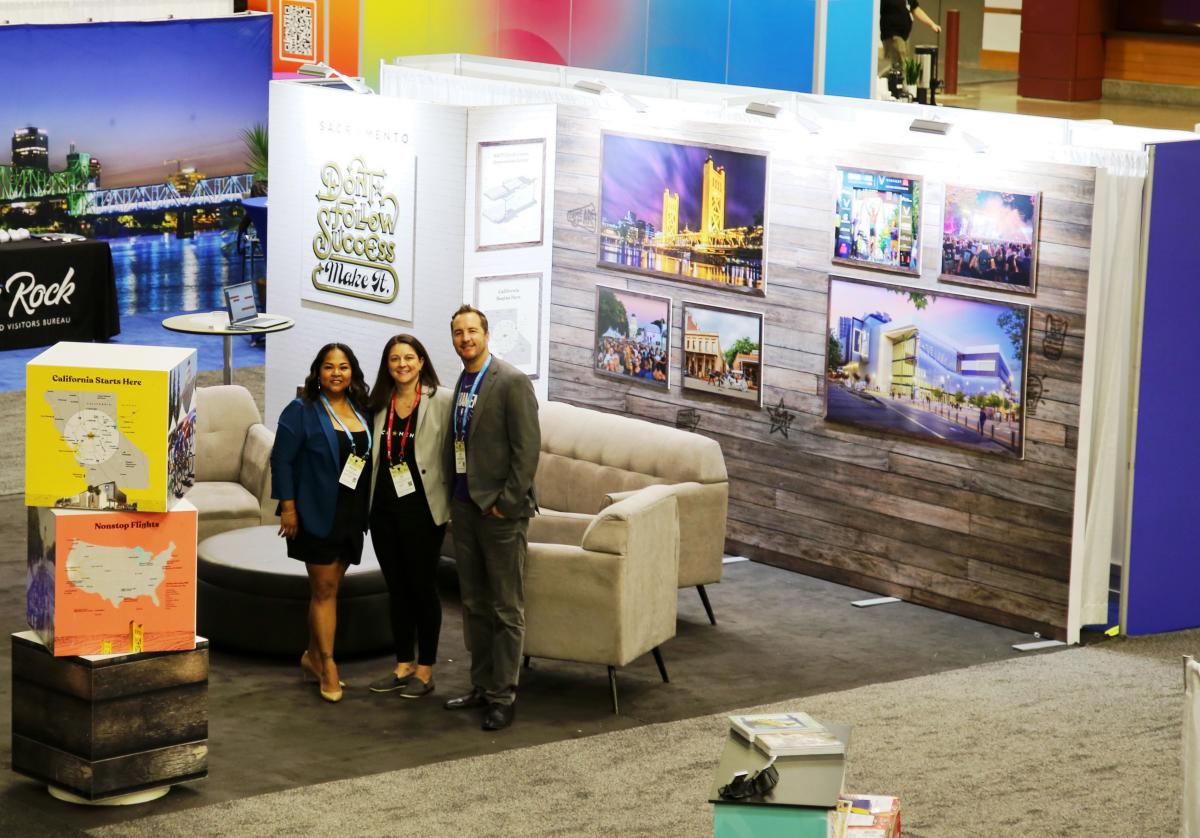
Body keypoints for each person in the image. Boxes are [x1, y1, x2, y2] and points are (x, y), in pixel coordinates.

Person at [442, 304, 540, 731]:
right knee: (473, 604)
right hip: (465, 508)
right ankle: (481, 685)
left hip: (499, 514)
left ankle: (504, 695)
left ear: (487, 334)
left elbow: (527, 450)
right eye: (459, 333)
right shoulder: (463, 382)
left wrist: (507, 502)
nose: (466, 339)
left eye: (472, 332)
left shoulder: (511, 382)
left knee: (505, 608)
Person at [271, 343, 372, 704]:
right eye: (329, 367)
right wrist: (288, 508)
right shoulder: (301, 410)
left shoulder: (362, 409)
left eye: (343, 367)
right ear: (318, 372)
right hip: (314, 513)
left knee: (328, 589)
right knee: (325, 589)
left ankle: (311, 656)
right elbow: (281, 461)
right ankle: (328, 664)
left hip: (351, 514)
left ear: (352, 372)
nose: (336, 374)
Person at [365, 335, 453, 700]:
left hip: (424, 511)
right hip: (384, 509)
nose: (401, 364)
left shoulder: (441, 401)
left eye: (408, 358)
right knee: (396, 588)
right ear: (388, 365)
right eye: (394, 358)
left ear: (421, 362)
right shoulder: (378, 403)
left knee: (421, 587)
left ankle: (425, 669)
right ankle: (402, 665)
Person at [879, 0, 941, 79]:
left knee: (899, 65)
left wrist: (932, 24)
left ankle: (879, 80)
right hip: (892, 34)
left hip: (904, 36)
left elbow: (915, 9)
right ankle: (902, 89)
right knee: (902, 65)